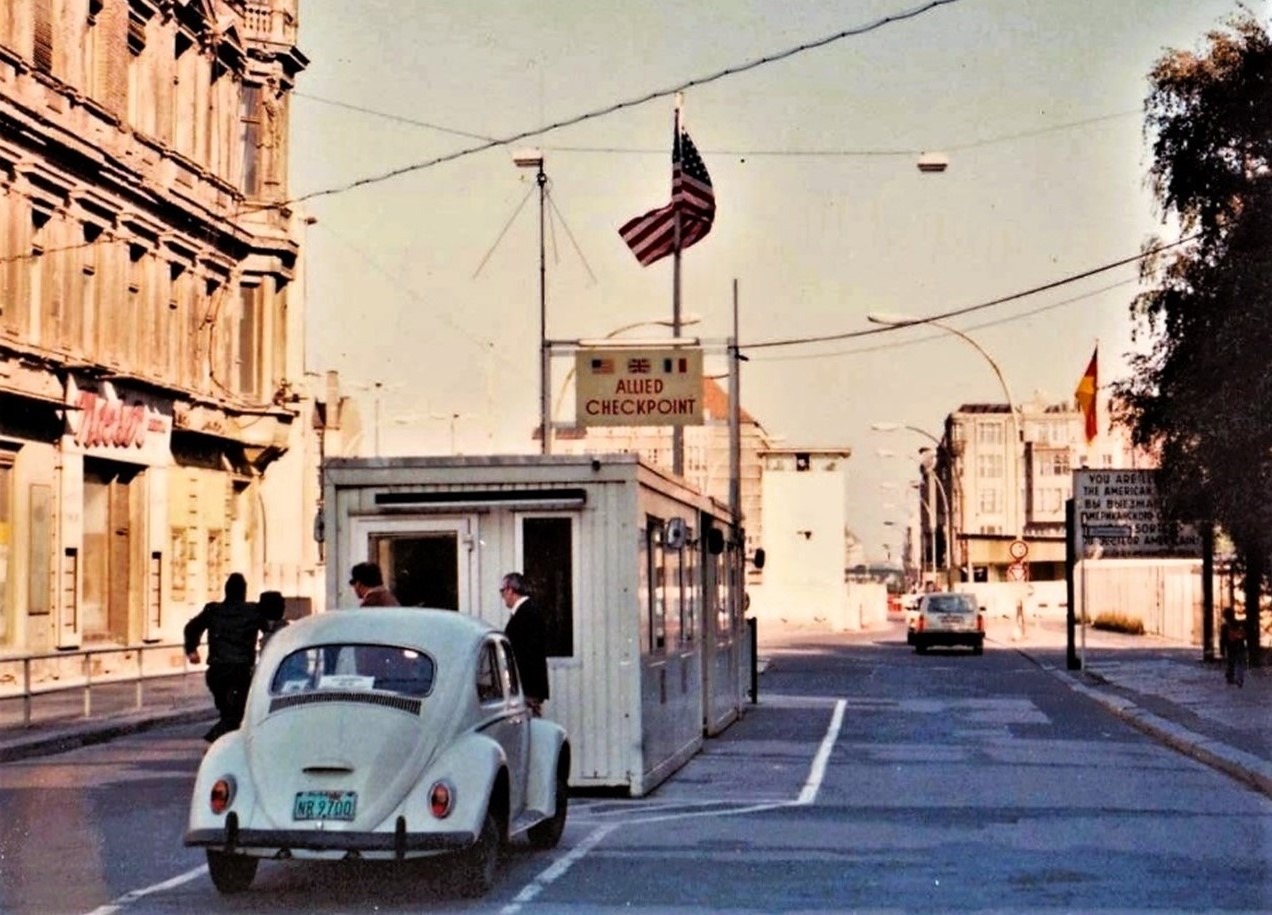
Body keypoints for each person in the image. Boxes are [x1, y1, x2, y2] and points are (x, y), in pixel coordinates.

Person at [184, 573, 264, 742]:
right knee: (236, 715)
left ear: (226, 591)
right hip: (241, 671)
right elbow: (270, 628)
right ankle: (216, 740)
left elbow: (191, 627)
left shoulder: (213, 610)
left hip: (217, 672)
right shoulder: (253, 612)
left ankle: (223, 744)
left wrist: (192, 649)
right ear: (244, 591)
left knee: (227, 712)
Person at [500, 572, 549, 717]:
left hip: (526, 690)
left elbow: (527, 654)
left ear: (510, 590)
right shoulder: (528, 611)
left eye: (502, 592)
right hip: (528, 690)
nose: (503, 597)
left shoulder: (526, 613)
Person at [1221, 607, 1247, 688]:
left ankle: (1231, 677)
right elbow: (1244, 635)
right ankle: (1239, 678)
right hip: (1240, 646)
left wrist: (1222, 649)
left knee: (1231, 662)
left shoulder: (1225, 627)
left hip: (1231, 647)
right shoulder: (1239, 624)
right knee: (1240, 663)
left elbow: (1223, 639)